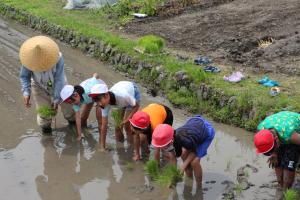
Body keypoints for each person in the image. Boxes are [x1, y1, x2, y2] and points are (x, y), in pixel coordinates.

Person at [19, 35, 75, 134]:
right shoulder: (28, 61)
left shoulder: (58, 58)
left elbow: (59, 78)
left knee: (69, 110)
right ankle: (47, 135)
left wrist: (57, 98)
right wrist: (26, 92)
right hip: (38, 86)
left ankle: (74, 127)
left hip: (60, 85)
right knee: (44, 114)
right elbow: (24, 77)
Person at [151, 115, 215, 186]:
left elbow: (194, 152)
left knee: (194, 162)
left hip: (206, 131)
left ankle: (199, 185)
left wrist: (183, 166)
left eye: (163, 146)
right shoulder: (169, 139)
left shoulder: (185, 140)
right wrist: (174, 176)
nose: (163, 148)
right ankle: (189, 179)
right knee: (183, 154)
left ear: (171, 141)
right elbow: (173, 158)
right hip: (193, 123)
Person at [254, 111, 300, 190]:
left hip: (291, 126)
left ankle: (287, 190)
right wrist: (274, 153)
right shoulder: (260, 131)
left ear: (277, 140)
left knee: (287, 179)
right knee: (279, 173)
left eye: (271, 151)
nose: (269, 154)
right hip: (280, 124)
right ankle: (280, 186)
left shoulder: (292, 136)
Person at [89, 81, 141, 151]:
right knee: (117, 127)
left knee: (127, 126)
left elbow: (136, 106)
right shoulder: (104, 105)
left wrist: (128, 119)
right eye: (96, 101)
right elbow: (104, 126)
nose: (99, 104)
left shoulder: (123, 96)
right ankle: (120, 149)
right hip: (119, 100)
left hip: (132, 92)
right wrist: (102, 147)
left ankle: (131, 149)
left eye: (99, 100)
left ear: (106, 95)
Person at [60, 74, 105, 141]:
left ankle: (101, 139)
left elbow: (96, 75)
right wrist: (79, 135)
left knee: (100, 120)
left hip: (100, 93)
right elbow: (78, 118)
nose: (73, 105)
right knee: (83, 119)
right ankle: (86, 131)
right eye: (70, 103)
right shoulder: (75, 101)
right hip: (88, 98)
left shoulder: (89, 90)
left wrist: (95, 76)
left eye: (73, 102)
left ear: (75, 95)